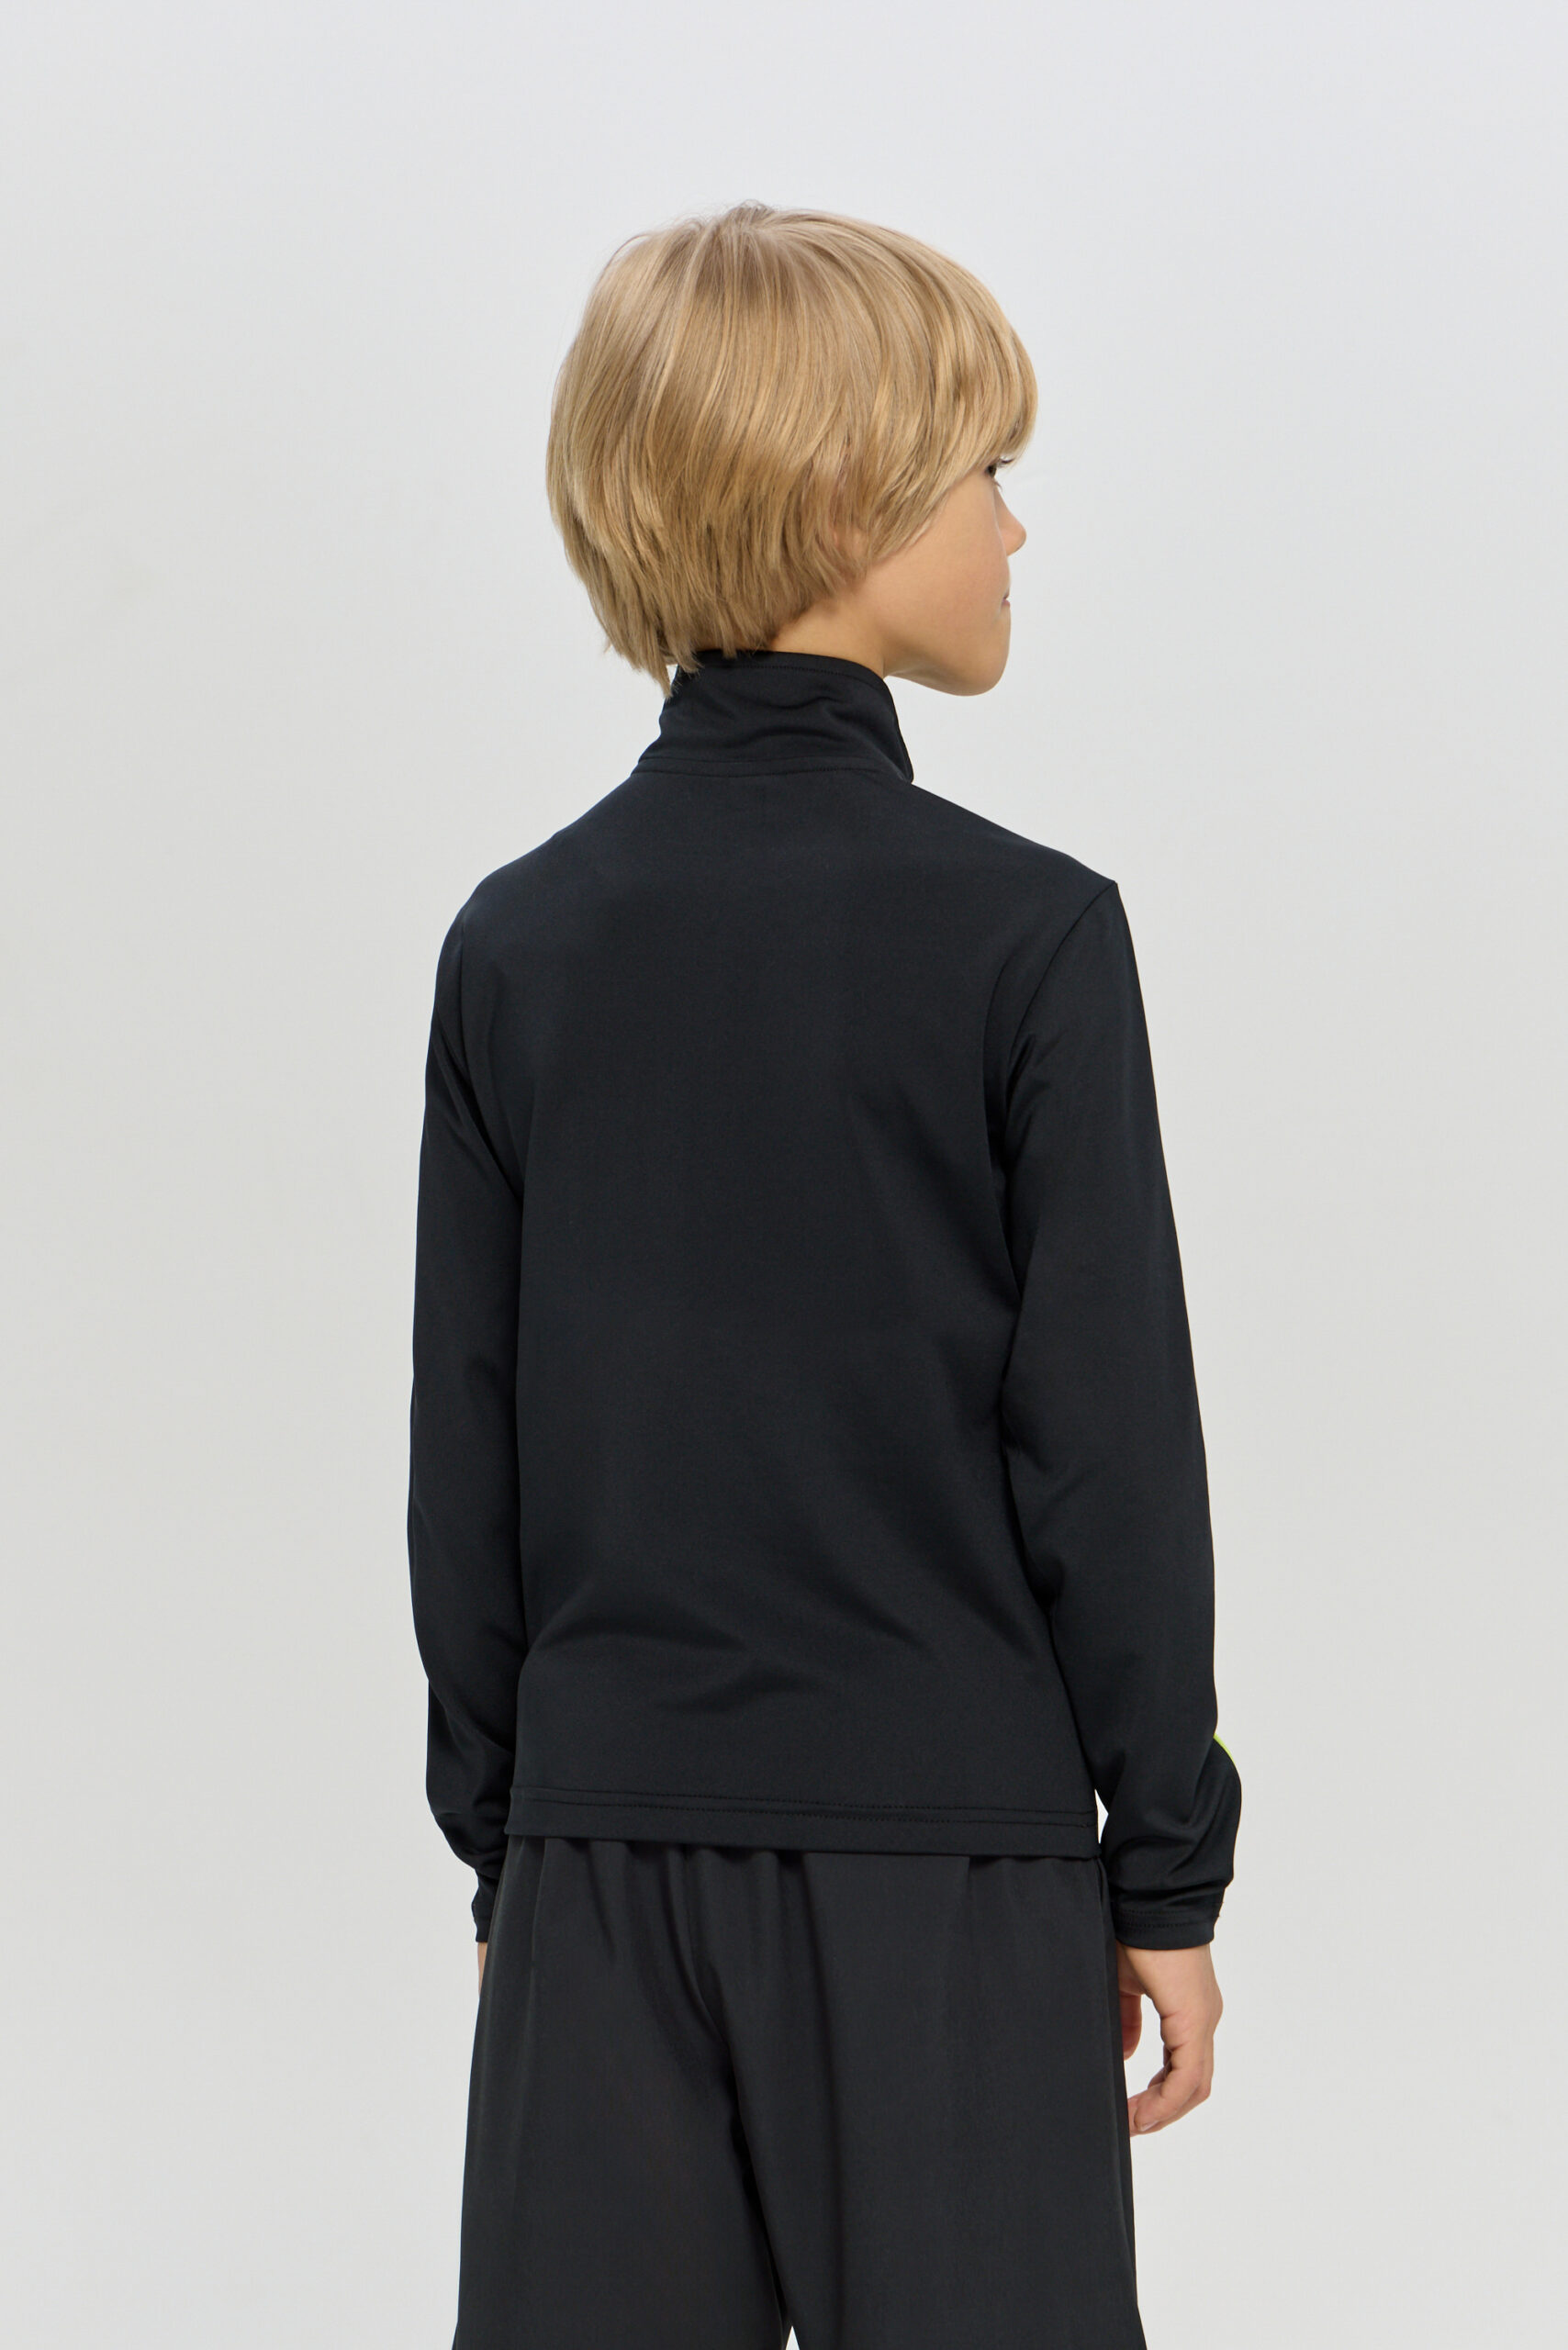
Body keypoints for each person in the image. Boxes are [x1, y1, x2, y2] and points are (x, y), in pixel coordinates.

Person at [407, 200, 1241, 2350]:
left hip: (601, 1864)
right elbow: (1106, 1449)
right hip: (948, 1876)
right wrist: (1161, 1863)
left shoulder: (518, 945)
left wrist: (514, 1843)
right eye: (987, 474)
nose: (1014, 529)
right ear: (846, 497)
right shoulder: (1027, 938)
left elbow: (467, 1458)